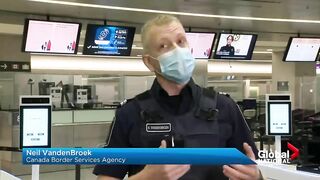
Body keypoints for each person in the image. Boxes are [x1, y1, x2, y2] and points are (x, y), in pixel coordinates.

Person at [93, 15, 262, 180]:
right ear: (149, 62)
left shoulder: (225, 107)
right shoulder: (129, 114)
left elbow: (253, 168)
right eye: (164, 46)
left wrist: (256, 176)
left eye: (181, 41)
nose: (177, 50)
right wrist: (146, 178)